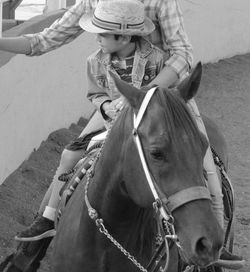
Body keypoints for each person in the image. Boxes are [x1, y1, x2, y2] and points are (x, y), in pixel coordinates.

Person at [0, 0, 244, 269]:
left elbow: (182, 55)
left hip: (166, 95)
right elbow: (43, 40)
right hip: (117, 101)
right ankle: (37, 238)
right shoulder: (93, 7)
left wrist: (144, 95)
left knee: (208, 168)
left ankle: (214, 249)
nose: (99, 38)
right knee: (71, 156)